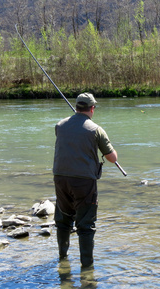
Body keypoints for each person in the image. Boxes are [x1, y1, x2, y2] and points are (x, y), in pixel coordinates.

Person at [53, 92, 118, 268]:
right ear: (92, 108)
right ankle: (87, 267)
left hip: (60, 178)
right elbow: (112, 158)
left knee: (63, 219)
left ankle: (62, 258)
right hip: (84, 181)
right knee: (86, 224)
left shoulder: (60, 125)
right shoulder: (96, 129)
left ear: (76, 107)